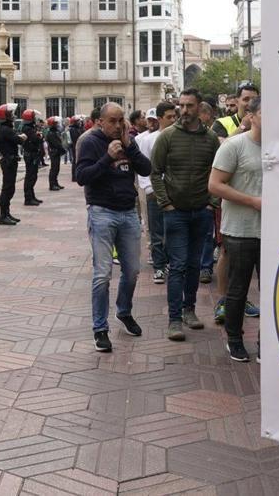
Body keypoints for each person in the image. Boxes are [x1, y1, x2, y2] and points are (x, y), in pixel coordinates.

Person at [75, 102, 152, 353]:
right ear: (101, 122)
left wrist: (131, 148)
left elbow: (146, 169)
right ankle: (100, 328)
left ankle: (124, 311)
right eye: (113, 121)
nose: (118, 126)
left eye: (121, 121)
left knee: (131, 271)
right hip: (101, 212)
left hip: (128, 212)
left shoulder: (129, 141)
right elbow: (82, 177)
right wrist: (108, 157)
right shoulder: (90, 142)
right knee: (102, 274)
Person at [151, 88, 220, 341]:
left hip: (201, 212)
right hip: (176, 213)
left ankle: (189, 310)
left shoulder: (211, 139)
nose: (184, 110)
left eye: (190, 106)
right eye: (181, 105)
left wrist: (212, 203)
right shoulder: (167, 137)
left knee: (193, 265)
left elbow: (218, 171)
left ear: (199, 107)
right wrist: (165, 203)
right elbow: (155, 172)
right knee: (178, 266)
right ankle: (174, 319)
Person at [207, 96, 263, 362]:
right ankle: (234, 339)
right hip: (240, 231)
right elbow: (215, 185)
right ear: (251, 116)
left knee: (272, 290)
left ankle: (267, 341)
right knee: (238, 289)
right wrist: (252, 201)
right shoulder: (234, 146)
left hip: (275, 232)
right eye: (266, 113)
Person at [138, 102, 177, 285]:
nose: (173, 120)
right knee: (156, 231)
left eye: (174, 116)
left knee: (172, 229)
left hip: (175, 192)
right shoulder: (147, 140)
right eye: (169, 117)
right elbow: (144, 167)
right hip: (154, 191)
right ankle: (159, 266)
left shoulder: (178, 137)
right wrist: (149, 188)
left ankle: (170, 262)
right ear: (160, 119)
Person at [0, 103, 26, 225]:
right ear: (6, 116)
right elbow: (19, 140)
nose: (13, 116)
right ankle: (3, 215)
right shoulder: (6, 130)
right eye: (11, 114)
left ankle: (7, 213)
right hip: (8, 161)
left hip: (11, 161)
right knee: (7, 188)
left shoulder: (7, 129)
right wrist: (22, 136)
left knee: (10, 188)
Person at [21, 109, 44, 206]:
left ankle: (32, 196)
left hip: (33, 154)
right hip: (30, 155)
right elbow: (35, 139)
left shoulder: (31, 127)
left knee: (33, 176)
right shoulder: (27, 128)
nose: (35, 119)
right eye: (33, 117)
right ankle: (28, 198)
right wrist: (39, 136)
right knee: (30, 176)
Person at [46, 116, 67, 191]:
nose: (57, 124)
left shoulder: (54, 132)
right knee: (54, 169)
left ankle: (55, 183)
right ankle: (52, 184)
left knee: (56, 168)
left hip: (56, 152)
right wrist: (63, 149)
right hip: (54, 152)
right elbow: (57, 144)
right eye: (55, 123)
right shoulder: (51, 133)